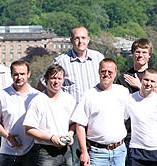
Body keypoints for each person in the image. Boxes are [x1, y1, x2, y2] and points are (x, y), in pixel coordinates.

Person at [37, 26, 105, 165]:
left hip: (96, 121)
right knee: (75, 161)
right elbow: (43, 83)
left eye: (83, 38)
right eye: (77, 38)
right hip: (73, 125)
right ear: (71, 40)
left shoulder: (99, 58)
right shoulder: (61, 61)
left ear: (88, 39)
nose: (80, 41)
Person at [71, 58, 129, 166]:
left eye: (110, 72)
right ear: (99, 73)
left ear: (115, 73)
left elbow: (129, 114)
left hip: (119, 152)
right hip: (97, 154)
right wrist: (84, 151)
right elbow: (80, 125)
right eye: (103, 71)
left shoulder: (123, 92)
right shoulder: (89, 95)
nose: (106, 74)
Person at [0, 60, 40, 166]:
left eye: (22, 74)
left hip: (31, 151)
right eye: (16, 74)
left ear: (28, 74)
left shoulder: (37, 96)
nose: (19, 77)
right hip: (8, 151)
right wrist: (7, 136)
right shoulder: (2, 95)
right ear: (11, 75)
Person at [24, 64, 76, 166]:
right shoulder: (37, 101)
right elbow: (28, 129)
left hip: (66, 151)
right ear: (46, 79)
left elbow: (74, 123)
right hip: (45, 152)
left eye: (59, 78)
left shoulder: (70, 100)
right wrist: (51, 138)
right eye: (53, 78)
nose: (56, 81)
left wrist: (70, 134)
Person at [124, 68, 157, 166]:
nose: (148, 83)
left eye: (152, 81)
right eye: (146, 80)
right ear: (141, 80)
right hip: (137, 151)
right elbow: (121, 122)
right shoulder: (130, 100)